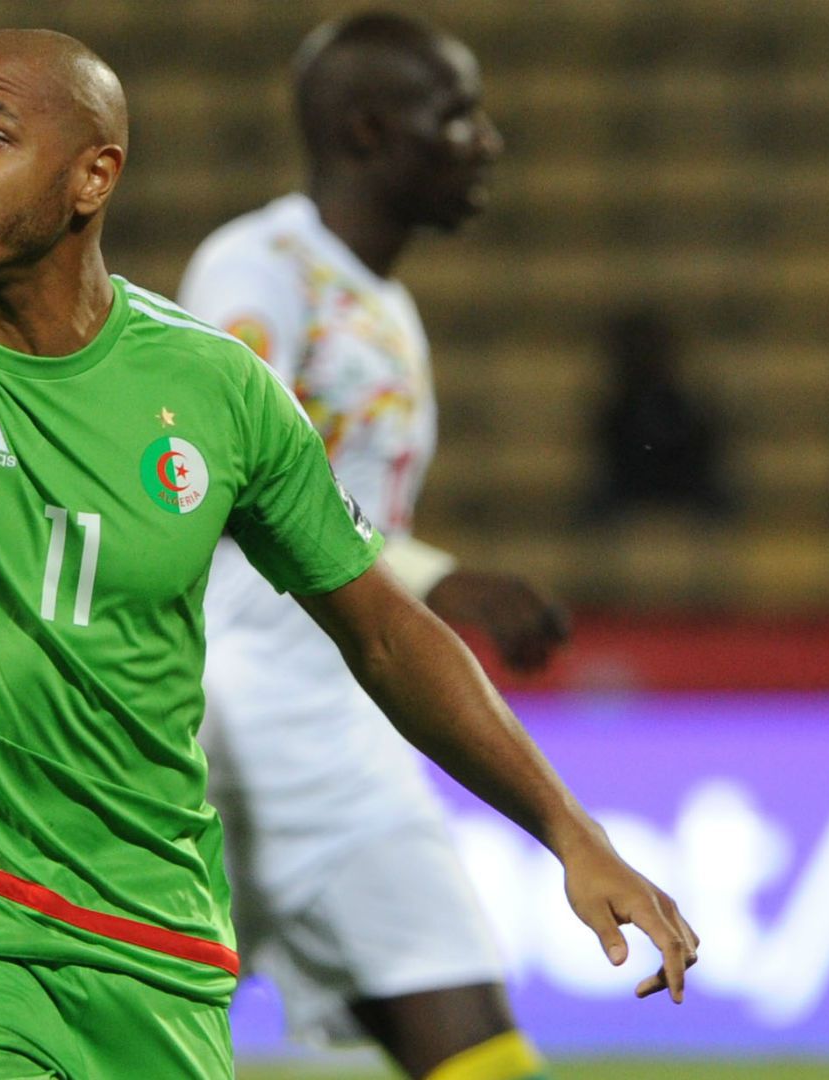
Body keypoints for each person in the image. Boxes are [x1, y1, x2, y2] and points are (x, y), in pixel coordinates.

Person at [0, 28, 695, 1078]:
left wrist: (569, 830)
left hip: (157, 939)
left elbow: (382, 630)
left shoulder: (218, 389)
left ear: (92, 175)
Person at [180, 12, 575, 1079]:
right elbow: (229, 484)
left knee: (477, 1045)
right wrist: (440, 577)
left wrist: (429, 577)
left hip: (342, 725)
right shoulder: (258, 269)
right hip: (220, 722)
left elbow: (347, 514)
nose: (484, 139)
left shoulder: (384, 303)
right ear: (366, 129)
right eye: (454, 114)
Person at [586, 307, 733, 522]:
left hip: (684, 486)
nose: (643, 357)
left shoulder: (687, 407)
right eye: (635, 350)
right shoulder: (615, 412)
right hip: (628, 489)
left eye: (649, 349)